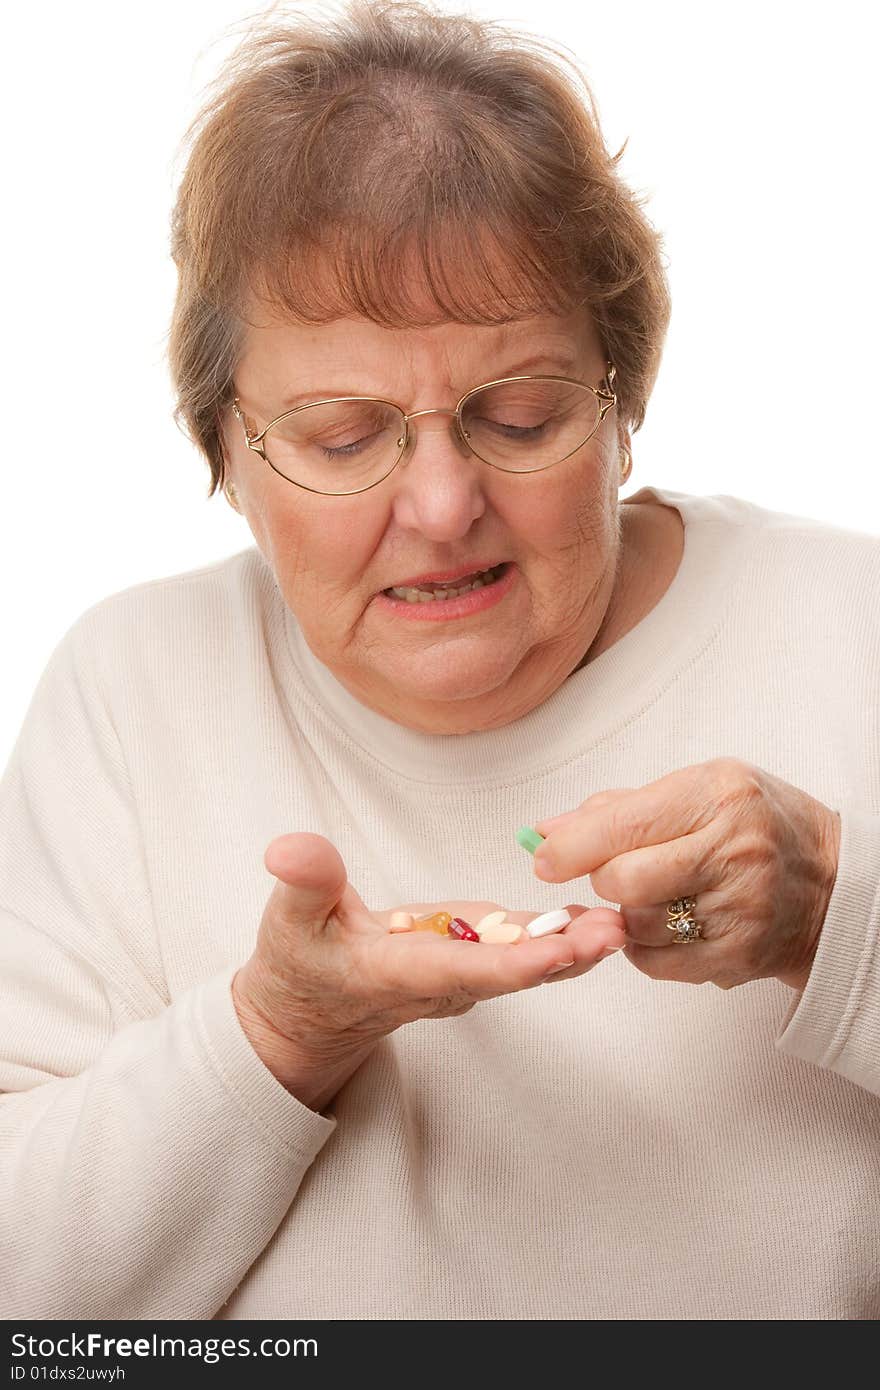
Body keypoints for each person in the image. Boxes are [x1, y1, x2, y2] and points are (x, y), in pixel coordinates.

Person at [1, 0, 878, 1322]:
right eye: (347, 437)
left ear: (621, 404)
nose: (442, 502)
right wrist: (280, 1031)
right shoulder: (131, 695)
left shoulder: (846, 624)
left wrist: (831, 917)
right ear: (227, 451)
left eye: (516, 416)